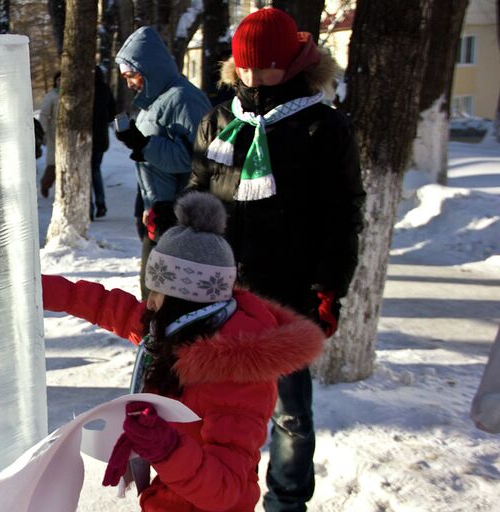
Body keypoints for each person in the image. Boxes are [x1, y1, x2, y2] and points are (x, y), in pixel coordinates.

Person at [41, 192, 325, 512]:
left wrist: (167, 449)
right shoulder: (172, 332)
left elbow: (226, 489)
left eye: (156, 293)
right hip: (169, 498)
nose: (148, 303)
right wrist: (37, 291)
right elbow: (103, 304)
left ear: (184, 299)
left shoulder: (237, 376)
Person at [187, 8, 366, 511]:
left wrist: (329, 287)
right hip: (219, 295)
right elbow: (199, 191)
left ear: (289, 64)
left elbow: (341, 215)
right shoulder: (219, 120)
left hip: (286, 294)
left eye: (263, 67)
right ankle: (217, 492)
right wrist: (172, 222)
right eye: (243, 67)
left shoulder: (320, 127)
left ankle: (286, 502)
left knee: (289, 413)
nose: (251, 77)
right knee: (212, 406)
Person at [114, 26, 211, 299]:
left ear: (150, 68)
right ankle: (155, 340)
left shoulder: (183, 99)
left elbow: (194, 158)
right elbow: (155, 156)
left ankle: (162, 341)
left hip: (179, 214)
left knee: (164, 296)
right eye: (125, 78)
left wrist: (142, 144)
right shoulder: (154, 102)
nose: (129, 83)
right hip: (158, 208)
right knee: (153, 295)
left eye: (132, 75)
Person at [91, 65, 116, 219]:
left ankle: (89, 208)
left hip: (87, 138)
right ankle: (101, 204)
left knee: (88, 173)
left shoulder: (86, 90)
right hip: (101, 138)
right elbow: (112, 112)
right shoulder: (105, 89)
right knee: (95, 170)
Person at [38, 71, 60, 198]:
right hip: (53, 134)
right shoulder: (51, 96)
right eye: (58, 80)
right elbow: (44, 114)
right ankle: (45, 184)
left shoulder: (71, 94)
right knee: (53, 163)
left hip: (70, 134)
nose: (61, 82)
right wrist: (44, 131)